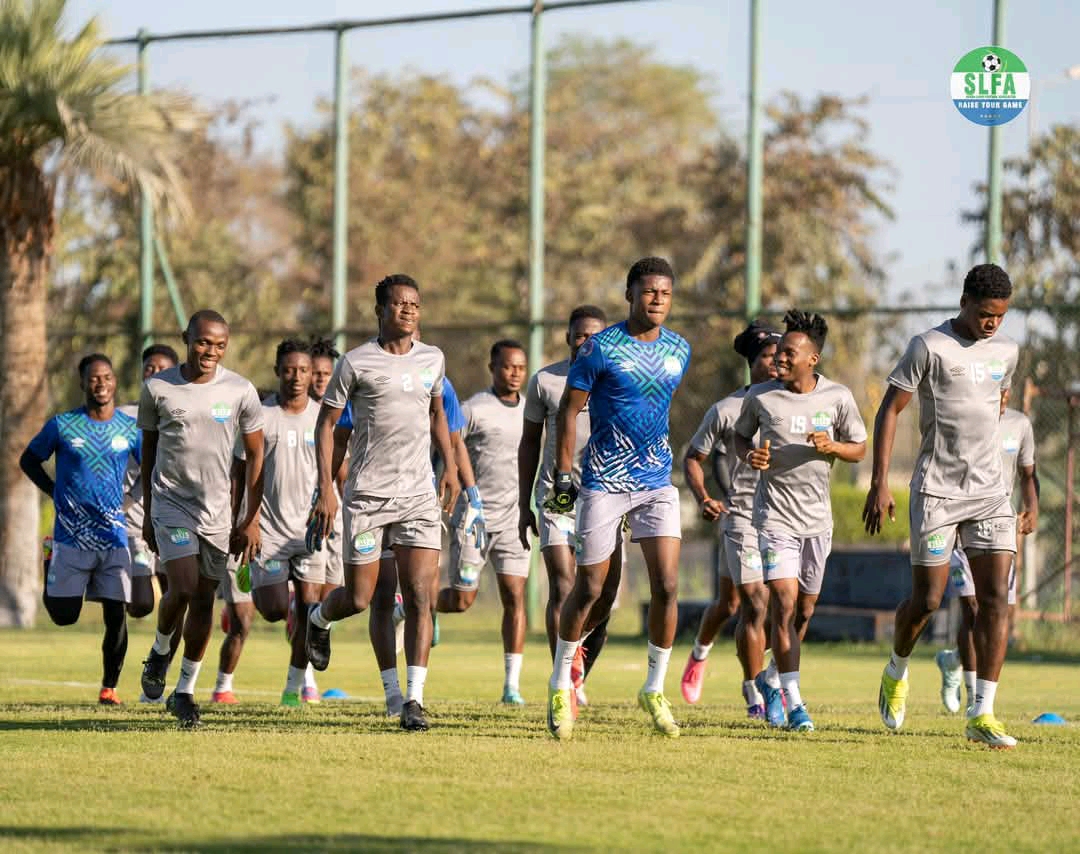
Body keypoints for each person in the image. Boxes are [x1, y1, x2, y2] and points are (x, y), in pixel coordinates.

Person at [865, 263, 1021, 749]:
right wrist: (880, 483)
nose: (992, 323)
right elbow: (890, 409)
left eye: (1000, 315)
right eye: (985, 313)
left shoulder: (1008, 351)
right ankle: (897, 669)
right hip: (937, 491)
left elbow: (998, 401)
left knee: (994, 600)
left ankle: (983, 712)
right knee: (929, 600)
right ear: (964, 301)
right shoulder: (928, 346)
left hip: (991, 493)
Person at [306, 274, 459, 732]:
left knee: (418, 596)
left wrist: (450, 466)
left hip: (418, 496)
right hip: (367, 496)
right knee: (360, 598)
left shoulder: (433, 358)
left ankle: (412, 700)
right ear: (380, 310)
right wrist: (326, 487)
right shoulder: (355, 363)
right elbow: (326, 426)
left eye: (415, 304)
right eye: (399, 303)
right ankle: (319, 617)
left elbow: (437, 413)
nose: (408, 310)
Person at [545, 257, 691, 740]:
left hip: (656, 482)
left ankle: (654, 687)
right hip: (604, 482)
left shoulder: (680, 349)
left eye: (665, 293)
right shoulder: (599, 348)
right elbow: (569, 411)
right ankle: (561, 683)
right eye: (648, 291)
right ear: (629, 294)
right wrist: (563, 475)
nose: (657, 300)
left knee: (667, 585)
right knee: (589, 587)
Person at [733, 311, 866, 732]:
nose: (780, 359)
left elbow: (859, 448)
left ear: (813, 359)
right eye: (779, 353)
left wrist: (834, 447)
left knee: (804, 611)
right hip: (774, 518)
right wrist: (749, 455)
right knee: (784, 603)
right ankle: (795, 702)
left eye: (789, 353)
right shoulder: (761, 396)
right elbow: (740, 436)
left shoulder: (837, 397)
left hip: (817, 521)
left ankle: (772, 678)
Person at [137, 309, 265, 729]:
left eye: (219, 345)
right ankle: (160, 651)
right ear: (186, 339)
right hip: (171, 504)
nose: (210, 351)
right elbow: (149, 449)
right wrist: (149, 512)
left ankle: (185, 691)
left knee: (205, 600)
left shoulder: (240, 391)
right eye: (203, 342)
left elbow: (256, 455)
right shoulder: (158, 388)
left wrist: (250, 518)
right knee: (184, 586)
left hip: (217, 511)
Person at [20, 355, 141, 705]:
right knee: (64, 616)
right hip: (70, 536)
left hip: (113, 536)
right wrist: (54, 491)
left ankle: (109, 688)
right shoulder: (63, 425)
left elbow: (151, 468)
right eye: (93, 378)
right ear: (83, 383)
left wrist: (131, 499)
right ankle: (49, 558)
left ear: (114, 382)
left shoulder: (129, 429)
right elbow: (28, 460)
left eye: (106, 377)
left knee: (116, 613)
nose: (101, 384)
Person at [519, 305, 621, 711]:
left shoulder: (618, 379)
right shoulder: (546, 381)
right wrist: (522, 503)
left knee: (602, 597)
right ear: (567, 338)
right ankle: (562, 678)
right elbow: (529, 443)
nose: (586, 342)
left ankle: (578, 670)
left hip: (607, 496)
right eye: (580, 335)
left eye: (595, 335)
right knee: (563, 585)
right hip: (557, 497)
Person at [680, 321, 780, 716]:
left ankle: (753, 671)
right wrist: (704, 497)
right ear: (752, 363)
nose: (777, 362)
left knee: (732, 603)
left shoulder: (796, 403)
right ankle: (753, 692)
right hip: (741, 518)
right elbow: (693, 458)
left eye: (781, 355)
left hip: (784, 518)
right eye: (769, 357)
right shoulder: (726, 410)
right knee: (753, 601)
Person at [436, 340, 530, 705]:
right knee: (463, 600)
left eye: (520, 367)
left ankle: (512, 686)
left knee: (515, 596)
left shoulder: (531, 411)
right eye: (508, 366)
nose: (515, 373)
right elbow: (447, 445)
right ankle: (415, 607)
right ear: (493, 368)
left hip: (513, 520)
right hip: (474, 518)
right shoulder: (475, 408)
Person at [935, 389, 1038, 714]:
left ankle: (954, 660)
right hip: (962, 525)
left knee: (999, 612)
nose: (1000, 396)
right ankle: (974, 699)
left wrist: (1032, 506)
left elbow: (1028, 473)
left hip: (1000, 528)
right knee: (972, 608)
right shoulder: (961, 419)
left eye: (1004, 390)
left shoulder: (1020, 425)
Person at [121, 344, 179, 624]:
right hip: (134, 521)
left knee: (177, 595)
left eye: (163, 369)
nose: (155, 374)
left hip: (174, 519)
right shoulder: (123, 415)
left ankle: (167, 648)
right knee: (141, 604)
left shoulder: (184, 413)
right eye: (149, 368)